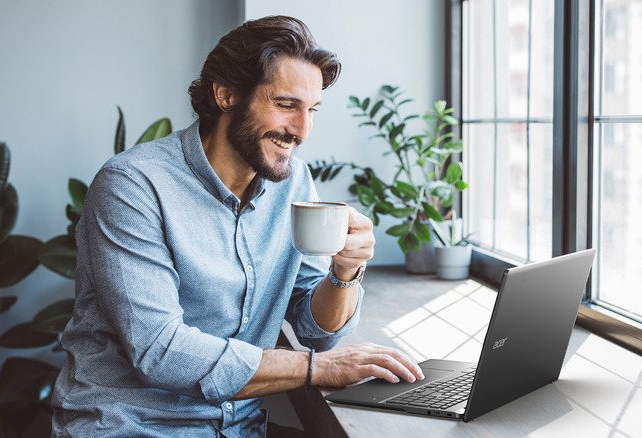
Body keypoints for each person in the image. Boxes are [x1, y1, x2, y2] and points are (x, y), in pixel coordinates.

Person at [51, 15, 424, 437]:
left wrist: (345, 273)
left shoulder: (293, 182)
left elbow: (315, 330)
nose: (302, 130)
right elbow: (162, 351)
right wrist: (320, 370)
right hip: (136, 426)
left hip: (242, 427)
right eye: (286, 106)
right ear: (226, 94)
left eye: (311, 110)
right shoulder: (132, 186)